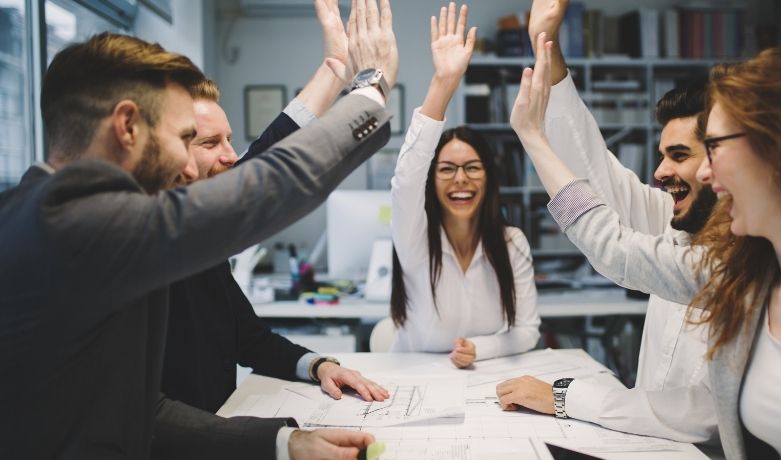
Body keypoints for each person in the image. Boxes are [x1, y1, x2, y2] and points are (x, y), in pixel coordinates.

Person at [0, 0, 398, 456]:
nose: (190, 168)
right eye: (185, 139)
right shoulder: (72, 225)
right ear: (128, 126)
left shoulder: (57, 216)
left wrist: (285, 442)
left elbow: (139, 412)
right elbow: (273, 181)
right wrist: (372, 86)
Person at [508, 39, 781, 459]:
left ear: (780, 152)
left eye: (715, 147)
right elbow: (597, 183)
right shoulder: (743, 275)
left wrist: (534, 137)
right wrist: (547, 53)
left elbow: (613, 247)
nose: (706, 170)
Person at [496, 0, 718, 445]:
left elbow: (702, 415)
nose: (659, 173)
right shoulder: (675, 221)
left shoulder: (752, 261)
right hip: (640, 446)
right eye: (661, 155)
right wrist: (548, 44)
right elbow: (595, 170)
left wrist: (563, 397)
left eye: (679, 155)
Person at [161, 0, 388, 422]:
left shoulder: (200, 246)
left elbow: (250, 340)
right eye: (210, 144)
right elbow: (268, 170)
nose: (232, 157)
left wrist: (320, 366)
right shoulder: (158, 243)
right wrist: (370, 88)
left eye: (229, 141)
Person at [389, 2, 541, 369]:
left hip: (481, 379)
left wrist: (480, 349)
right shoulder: (414, 236)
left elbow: (528, 330)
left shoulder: (511, 242)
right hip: (414, 379)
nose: (461, 179)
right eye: (447, 169)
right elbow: (406, 179)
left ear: (489, 177)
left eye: (472, 167)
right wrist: (443, 83)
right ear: (433, 179)